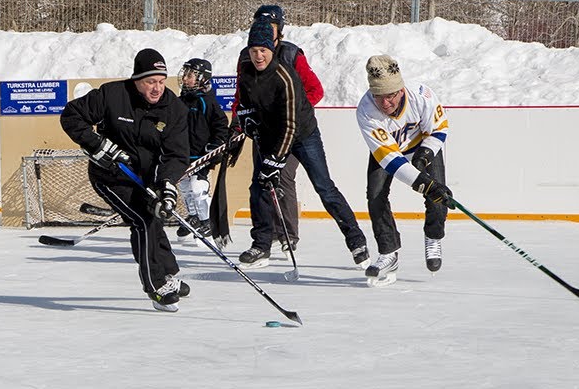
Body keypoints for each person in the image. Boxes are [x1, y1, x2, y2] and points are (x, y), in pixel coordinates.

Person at [60, 48, 190, 311]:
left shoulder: (173, 108)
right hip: (110, 176)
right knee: (143, 219)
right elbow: (71, 116)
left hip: (147, 177)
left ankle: (167, 273)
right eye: (150, 82)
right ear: (136, 80)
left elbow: (177, 154)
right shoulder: (112, 95)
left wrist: (166, 185)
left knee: (155, 215)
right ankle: (155, 286)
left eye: (162, 81)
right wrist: (98, 145)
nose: (157, 88)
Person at [234, 18, 368, 271]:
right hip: (270, 133)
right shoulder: (246, 69)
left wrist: (275, 160)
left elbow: (291, 125)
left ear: (272, 50)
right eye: (254, 51)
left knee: (324, 187)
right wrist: (245, 121)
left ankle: (356, 239)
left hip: (302, 133)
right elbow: (244, 102)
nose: (258, 56)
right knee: (259, 186)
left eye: (263, 50)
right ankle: (261, 244)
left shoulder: (284, 76)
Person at [355, 55, 454, 286]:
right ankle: (388, 251)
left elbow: (439, 128)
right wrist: (420, 182)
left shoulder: (422, 96)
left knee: (438, 197)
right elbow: (390, 160)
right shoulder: (366, 110)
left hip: (424, 144)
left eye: (390, 95)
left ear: (401, 90)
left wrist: (426, 152)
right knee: (375, 196)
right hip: (388, 151)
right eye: (379, 96)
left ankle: (433, 236)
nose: (385, 103)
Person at [174, 58, 230, 242]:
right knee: (183, 185)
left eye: (190, 75)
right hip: (183, 153)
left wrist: (216, 144)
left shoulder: (207, 101)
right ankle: (194, 216)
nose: (185, 78)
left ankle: (207, 221)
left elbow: (221, 125)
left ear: (202, 78)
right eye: (185, 74)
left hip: (201, 154)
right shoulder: (180, 101)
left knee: (197, 186)